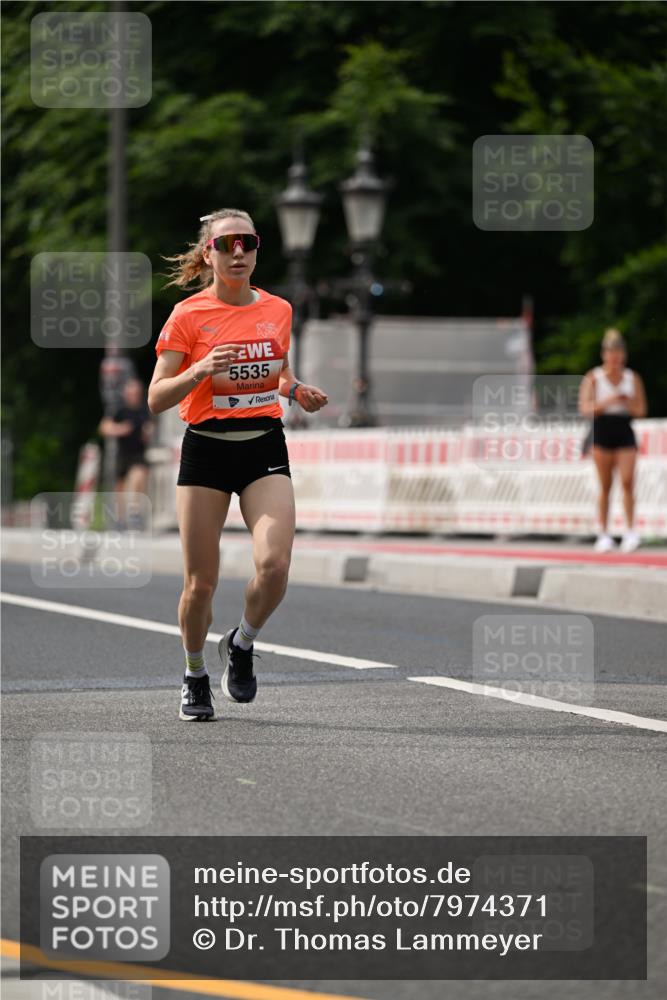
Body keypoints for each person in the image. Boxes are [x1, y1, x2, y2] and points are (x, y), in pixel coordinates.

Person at [148, 208, 328, 720]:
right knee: (199, 584)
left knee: (274, 568)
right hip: (206, 447)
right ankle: (194, 672)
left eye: (246, 242)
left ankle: (242, 644)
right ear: (209, 253)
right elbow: (156, 397)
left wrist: (295, 389)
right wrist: (201, 369)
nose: (238, 253)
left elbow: (274, 369)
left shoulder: (278, 309)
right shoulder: (188, 316)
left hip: (263, 445)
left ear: (256, 249)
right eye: (226, 244)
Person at [578, 329, 647, 553]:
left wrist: (626, 403)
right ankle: (604, 533)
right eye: (611, 352)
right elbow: (585, 408)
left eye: (619, 352)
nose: (615, 357)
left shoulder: (632, 378)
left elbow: (641, 409)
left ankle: (630, 531)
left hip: (623, 429)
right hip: (602, 429)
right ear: (604, 354)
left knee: (628, 481)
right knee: (605, 485)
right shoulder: (594, 377)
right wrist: (609, 401)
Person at [99, 378, 153, 528]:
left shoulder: (144, 409)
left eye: (137, 393)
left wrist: (148, 432)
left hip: (138, 452)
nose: (135, 396)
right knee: (120, 486)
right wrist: (120, 429)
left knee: (138, 476)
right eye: (132, 393)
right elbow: (104, 427)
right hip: (123, 452)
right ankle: (120, 519)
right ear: (126, 394)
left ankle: (135, 513)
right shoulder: (119, 409)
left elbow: (149, 426)